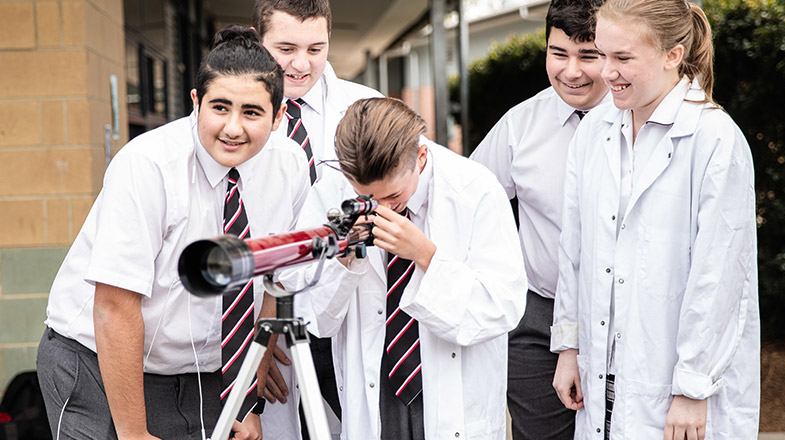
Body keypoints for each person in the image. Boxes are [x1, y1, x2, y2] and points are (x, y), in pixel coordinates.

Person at [36, 25, 310, 440]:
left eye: (252, 112)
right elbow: (114, 305)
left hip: (195, 369)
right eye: (220, 107)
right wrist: (133, 434)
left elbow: (270, 283)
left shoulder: (289, 166)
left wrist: (245, 398)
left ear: (278, 117)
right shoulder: (148, 164)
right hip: (96, 355)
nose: (233, 127)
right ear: (196, 103)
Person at [550, 1, 760, 439]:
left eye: (623, 58)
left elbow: (718, 281)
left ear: (673, 55)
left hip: (678, 390)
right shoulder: (596, 128)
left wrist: (691, 388)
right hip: (600, 379)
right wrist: (569, 347)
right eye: (602, 53)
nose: (606, 72)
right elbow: (576, 249)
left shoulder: (715, 140)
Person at [278, 97, 527, 439]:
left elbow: (502, 308)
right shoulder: (331, 190)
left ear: (420, 157)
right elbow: (312, 315)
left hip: (452, 385)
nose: (382, 209)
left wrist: (425, 255)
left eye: (393, 196)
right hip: (374, 382)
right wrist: (344, 262)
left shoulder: (476, 189)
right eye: (367, 197)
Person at [469, 1, 608, 438]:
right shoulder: (520, 124)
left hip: (624, 317)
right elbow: (467, 201)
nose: (571, 72)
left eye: (589, 56)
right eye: (558, 53)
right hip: (536, 323)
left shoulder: (638, 121)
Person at [250, 1, 382, 438]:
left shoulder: (367, 107)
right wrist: (258, 340)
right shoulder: (234, 118)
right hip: (262, 308)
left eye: (316, 48)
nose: (301, 64)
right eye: (285, 48)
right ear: (258, 38)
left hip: (348, 305)